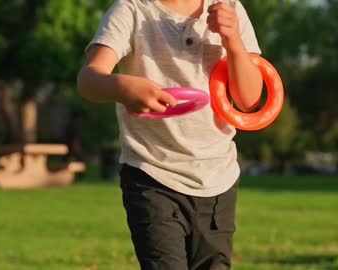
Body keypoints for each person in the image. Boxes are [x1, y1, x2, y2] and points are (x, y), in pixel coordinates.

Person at [77, 0, 263, 268]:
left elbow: (248, 99)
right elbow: (88, 80)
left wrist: (233, 41)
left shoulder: (230, 7)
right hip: (153, 173)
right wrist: (121, 87)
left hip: (217, 177)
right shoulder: (132, 10)